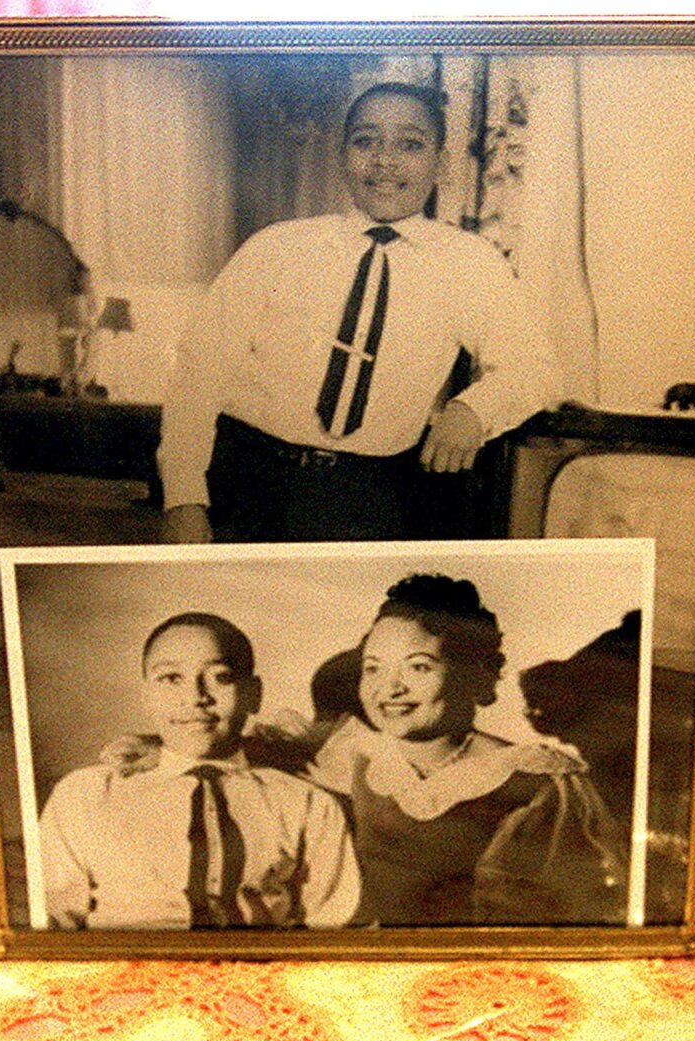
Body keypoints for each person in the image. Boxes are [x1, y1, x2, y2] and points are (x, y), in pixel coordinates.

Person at [155, 81, 561, 543]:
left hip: (370, 500)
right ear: (343, 155)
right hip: (245, 484)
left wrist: (473, 410)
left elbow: (536, 369)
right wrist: (184, 499)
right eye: (366, 141)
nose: (385, 161)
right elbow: (197, 372)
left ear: (441, 164)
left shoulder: (470, 263)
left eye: (410, 144)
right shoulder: (276, 247)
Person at [310, 574, 627, 924]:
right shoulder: (355, 755)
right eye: (373, 668)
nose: (390, 688)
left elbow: (569, 904)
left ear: (473, 672)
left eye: (418, 666)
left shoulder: (531, 780)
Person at [37, 613, 358, 930]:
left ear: (253, 693)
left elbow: (329, 924)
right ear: (146, 693)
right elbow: (54, 917)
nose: (195, 697)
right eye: (171, 679)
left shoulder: (308, 804)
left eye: (221, 677)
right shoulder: (87, 793)